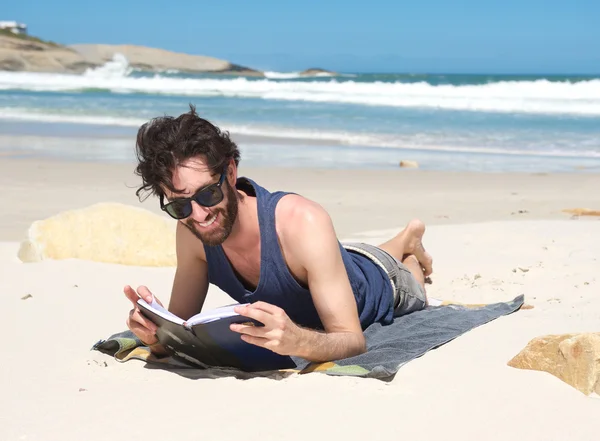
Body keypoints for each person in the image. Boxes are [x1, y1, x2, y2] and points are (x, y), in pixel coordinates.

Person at [124, 105, 434, 363]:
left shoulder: (303, 221)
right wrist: (154, 333)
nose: (198, 215)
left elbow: (353, 341)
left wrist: (299, 341)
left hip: (385, 281)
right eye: (179, 206)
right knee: (344, 256)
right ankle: (402, 239)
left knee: (407, 276)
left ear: (230, 173)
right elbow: (179, 331)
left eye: (207, 195)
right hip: (333, 262)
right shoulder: (191, 231)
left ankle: (409, 247)